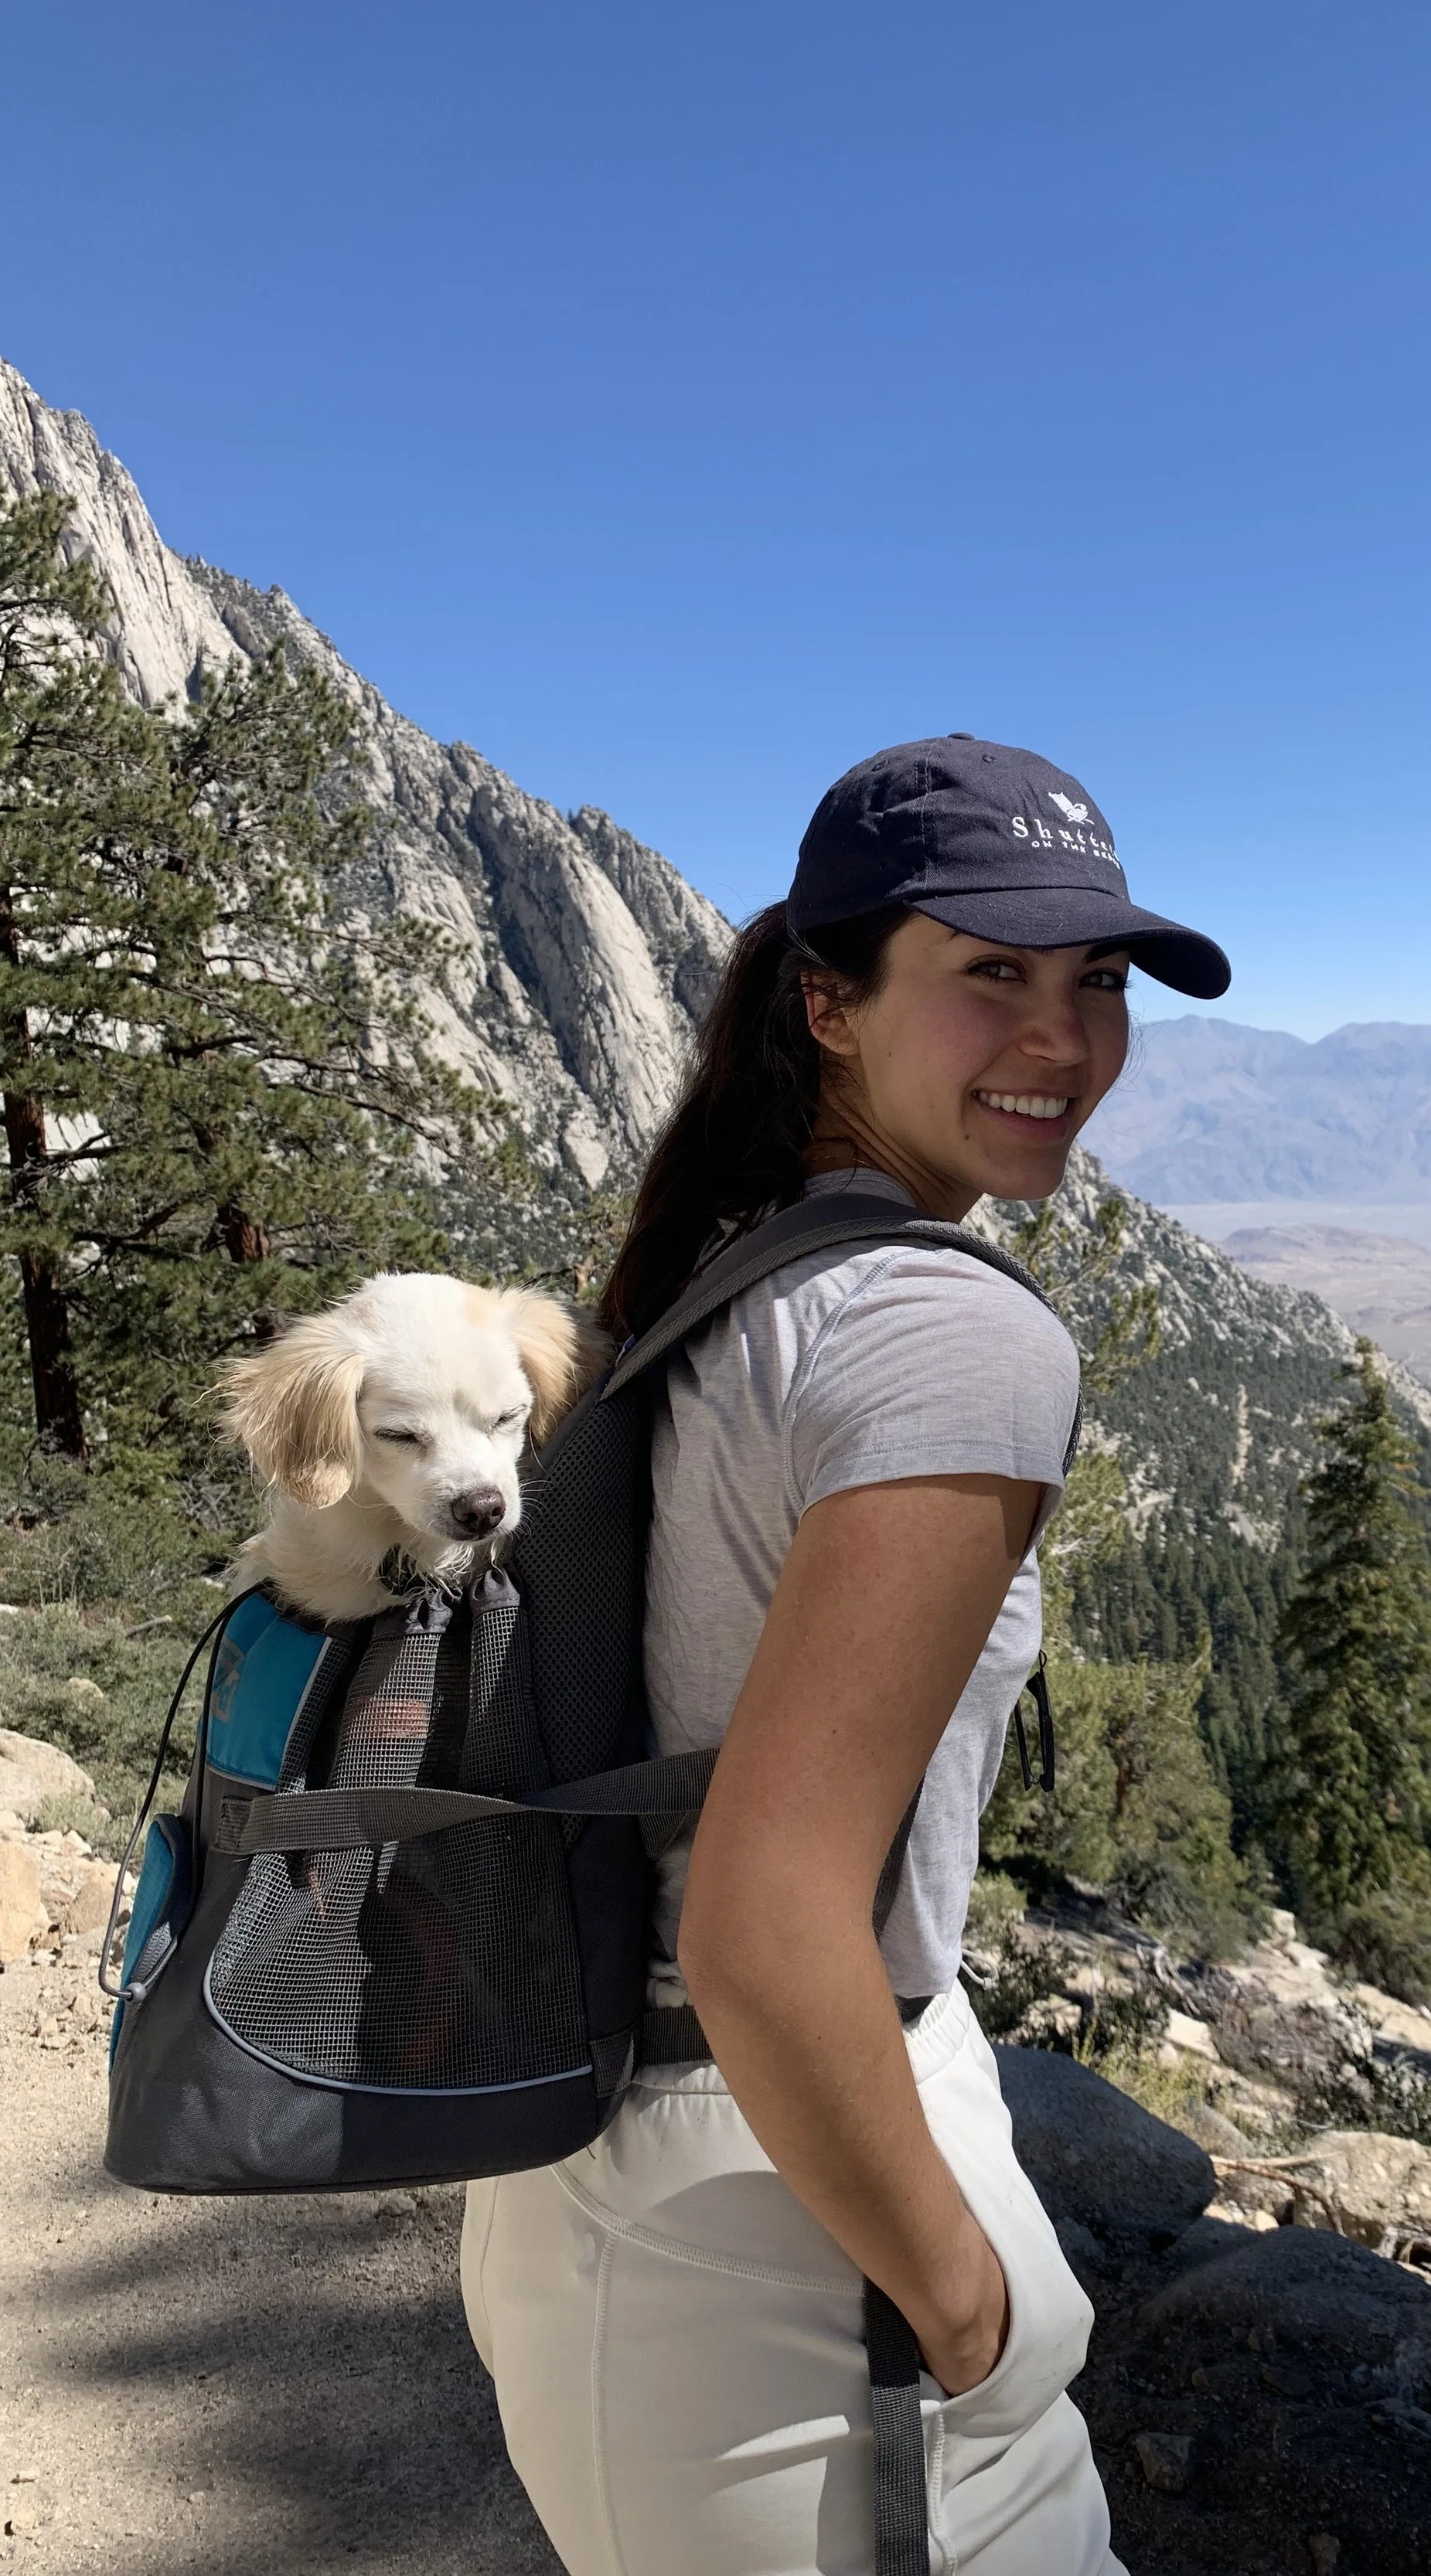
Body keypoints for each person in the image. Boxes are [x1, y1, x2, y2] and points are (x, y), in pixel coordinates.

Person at [460, 735, 1230, 2575]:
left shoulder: (739, 1260)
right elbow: (761, 1920)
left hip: (643, 2159)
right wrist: (963, 2304)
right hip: (767, 2188)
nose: (1065, 1040)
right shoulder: (945, 1335)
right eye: (991, 975)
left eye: (1097, 983)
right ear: (826, 1001)